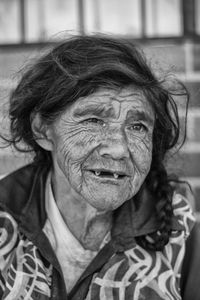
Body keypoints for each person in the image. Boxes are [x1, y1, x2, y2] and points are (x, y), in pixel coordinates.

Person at [0, 35, 196, 300]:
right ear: (43, 129)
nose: (118, 149)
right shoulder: (5, 214)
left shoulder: (182, 228)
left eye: (137, 127)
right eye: (93, 120)